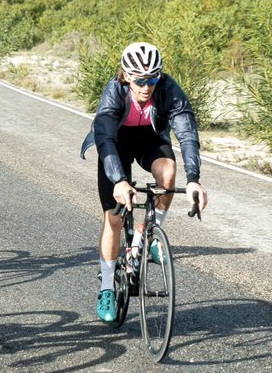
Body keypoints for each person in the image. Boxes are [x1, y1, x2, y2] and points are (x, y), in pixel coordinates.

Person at [81, 41, 207, 323]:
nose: (146, 86)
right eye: (140, 80)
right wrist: (119, 180)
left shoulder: (169, 89)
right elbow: (105, 138)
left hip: (150, 141)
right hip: (115, 146)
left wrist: (195, 180)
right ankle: (106, 289)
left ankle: (150, 234)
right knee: (113, 219)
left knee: (169, 173)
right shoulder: (114, 92)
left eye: (152, 79)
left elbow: (187, 135)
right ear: (126, 76)